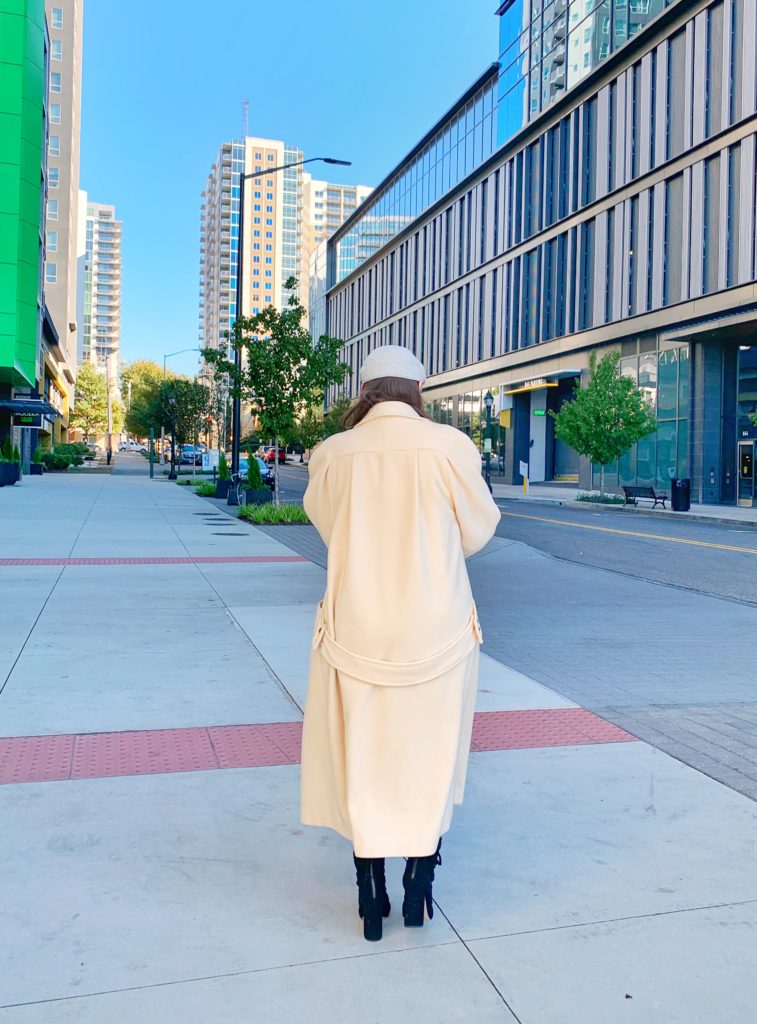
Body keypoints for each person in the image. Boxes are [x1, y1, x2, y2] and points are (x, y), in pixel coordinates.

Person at [301, 345, 500, 942]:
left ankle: (369, 893)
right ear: (418, 390)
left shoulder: (334, 453)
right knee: (430, 754)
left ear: (364, 392)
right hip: (436, 628)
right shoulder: (449, 447)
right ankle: (420, 883)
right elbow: (477, 529)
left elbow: (331, 526)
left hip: (356, 627)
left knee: (361, 754)